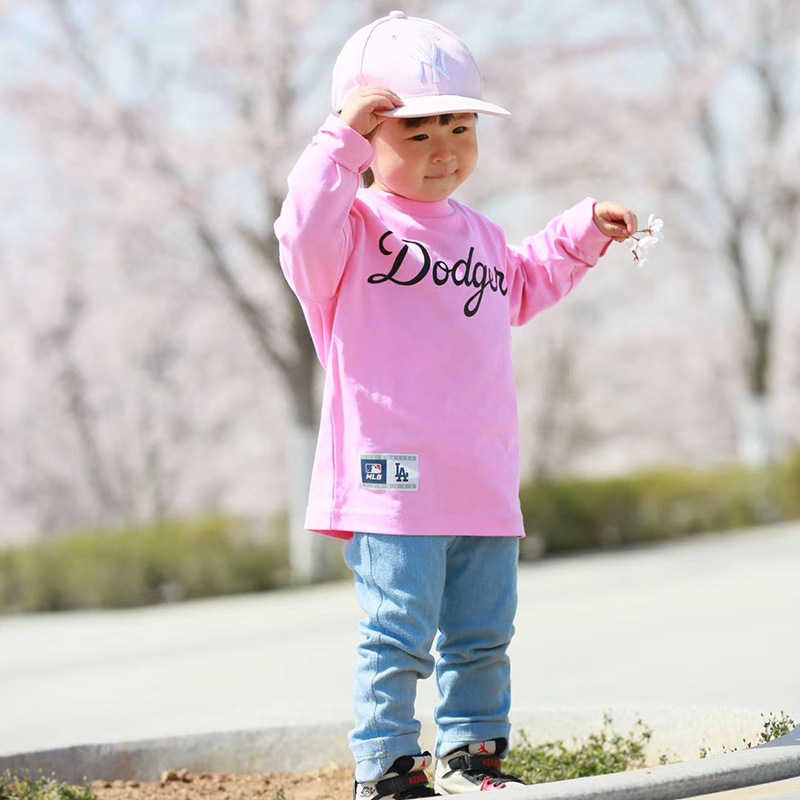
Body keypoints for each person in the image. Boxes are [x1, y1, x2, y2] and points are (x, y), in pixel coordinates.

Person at [274, 10, 637, 798]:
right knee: (397, 633)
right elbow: (299, 230)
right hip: (392, 479)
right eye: (416, 132)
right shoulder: (350, 233)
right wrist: (335, 143)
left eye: (460, 129)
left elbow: (524, 282)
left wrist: (583, 231)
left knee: (482, 634)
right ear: (367, 137)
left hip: (479, 473)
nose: (444, 150)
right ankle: (388, 769)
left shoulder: (478, 235)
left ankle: (473, 758)